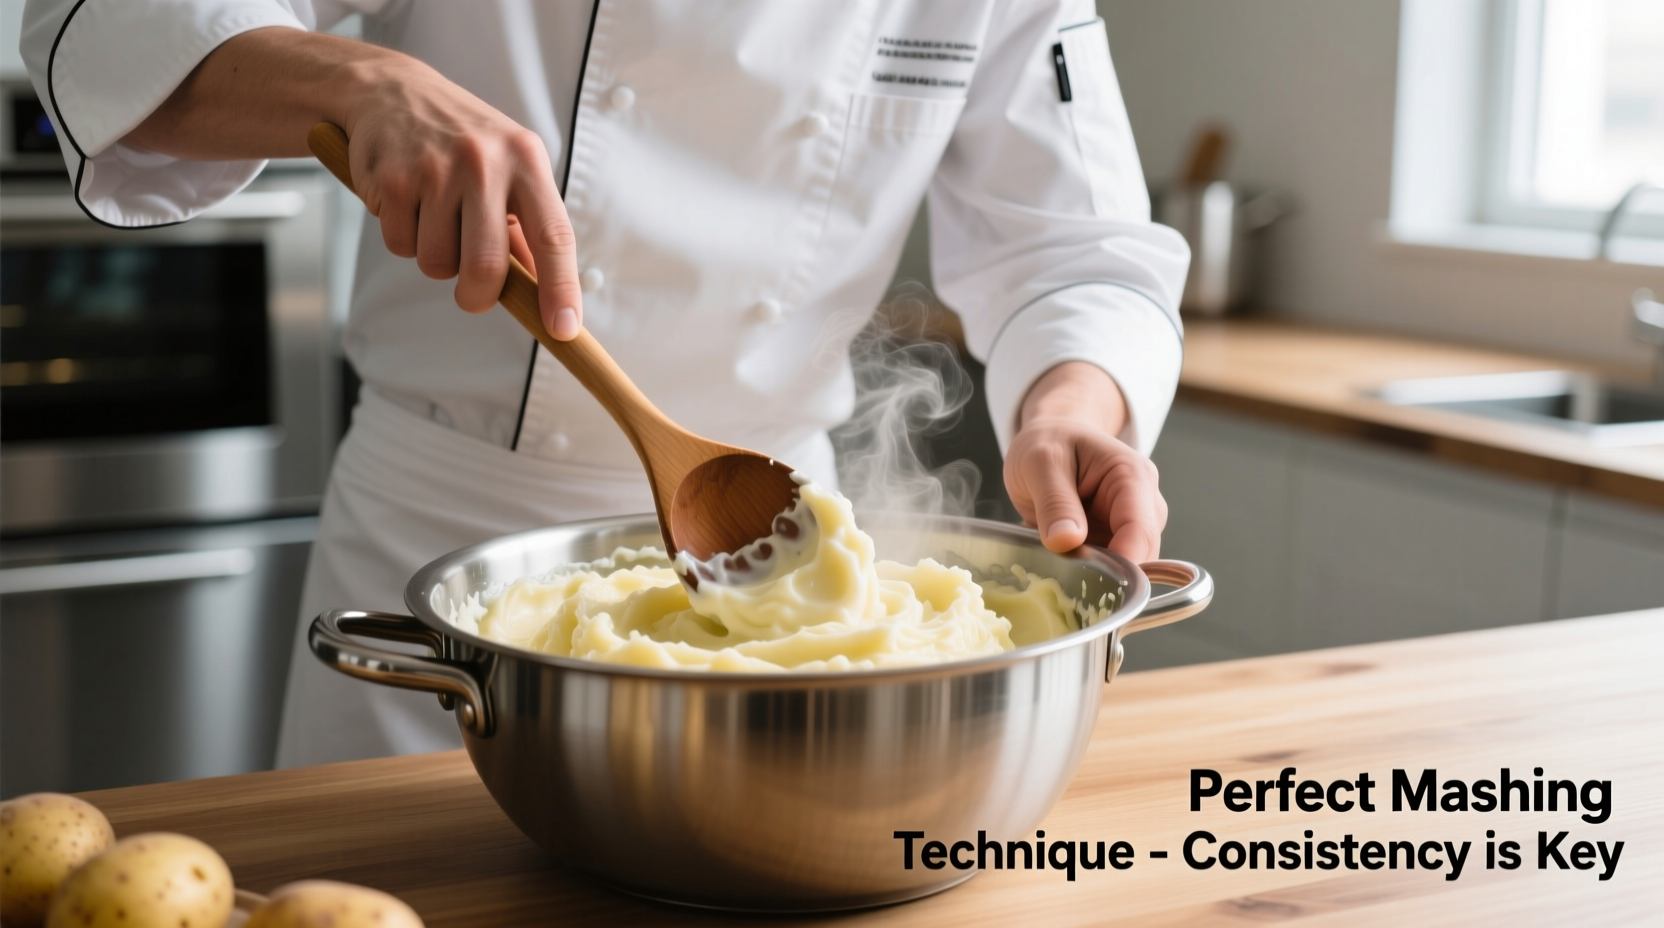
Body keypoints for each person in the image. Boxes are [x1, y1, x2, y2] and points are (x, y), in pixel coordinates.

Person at [21, 0, 1189, 767]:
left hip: (797, 561)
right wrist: (355, 78)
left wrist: (1070, 410)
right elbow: (111, 31)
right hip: (439, 553)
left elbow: (1072, 248)